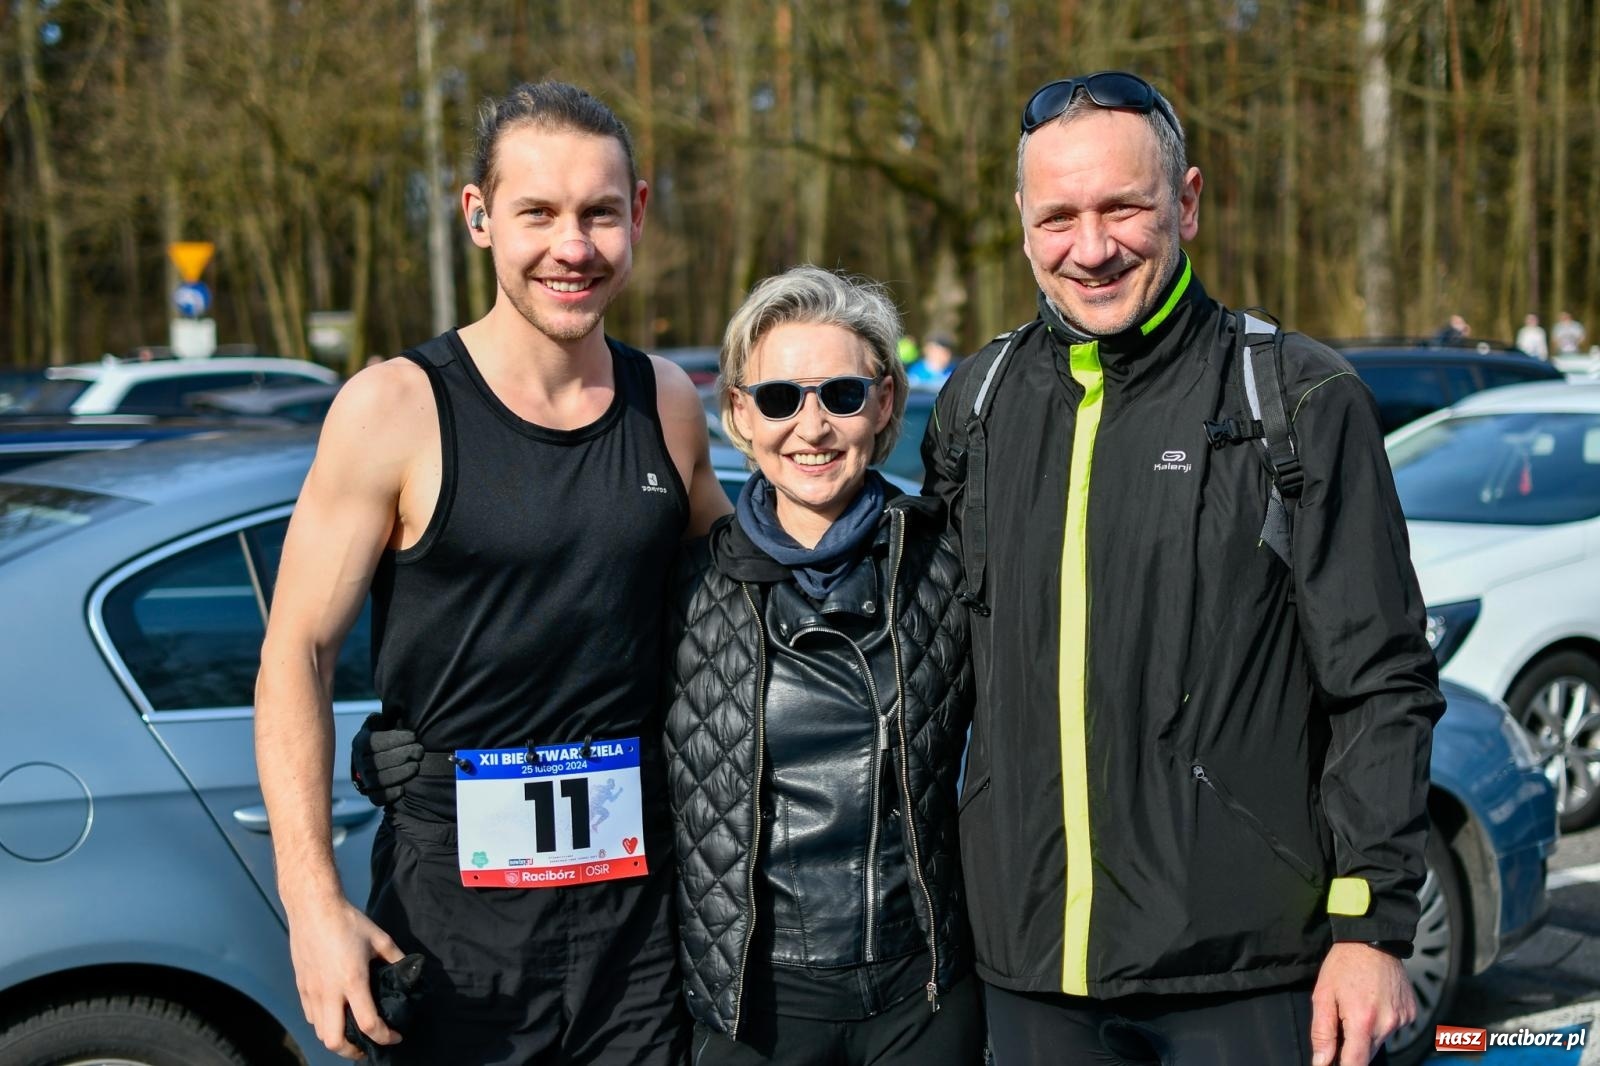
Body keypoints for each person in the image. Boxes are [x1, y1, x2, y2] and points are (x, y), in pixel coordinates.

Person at [922, 71, 1442, 1066]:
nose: (1092, 246)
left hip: (1240, 977)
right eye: (1059, 216)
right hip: (1029, 973)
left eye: (1124, 206)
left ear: (1187, 202)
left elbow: (1380, 681)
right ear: (1023, 223)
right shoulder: (976, 403)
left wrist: (1369, 929)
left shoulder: (1296, 398)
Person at [254, 80, 729, 1065]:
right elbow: (295, 650)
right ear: (477, 218)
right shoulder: (394, 407)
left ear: (637, 212)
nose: (573, 245)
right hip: (451, 924)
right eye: (538, 213)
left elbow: (743, 604)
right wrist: (310, 904)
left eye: (600, 212)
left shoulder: (667, 403)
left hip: (635, 927)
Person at [663, 266, 983, 1065]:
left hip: (924, 998)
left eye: (840, 395)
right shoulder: (684, 584)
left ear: (882, 404)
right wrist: (421, 752)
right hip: (757, 1010)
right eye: (779, 399)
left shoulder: (948, 558)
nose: (812, 426)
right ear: (738, 412)